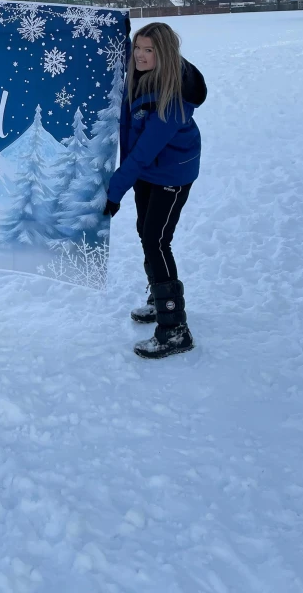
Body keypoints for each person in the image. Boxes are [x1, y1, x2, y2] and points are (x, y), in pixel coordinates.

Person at [104, 22, 207, 360]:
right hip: (149, 170)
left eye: (149, 50)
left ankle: (175, 328)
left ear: (163, 55)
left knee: (156, 240)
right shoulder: (137, 78)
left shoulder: (171, 99)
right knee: (145, 232)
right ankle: (159, 300)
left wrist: (114, 191)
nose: (141, 56)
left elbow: (144, 151)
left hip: (172, 174)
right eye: (137, 48)